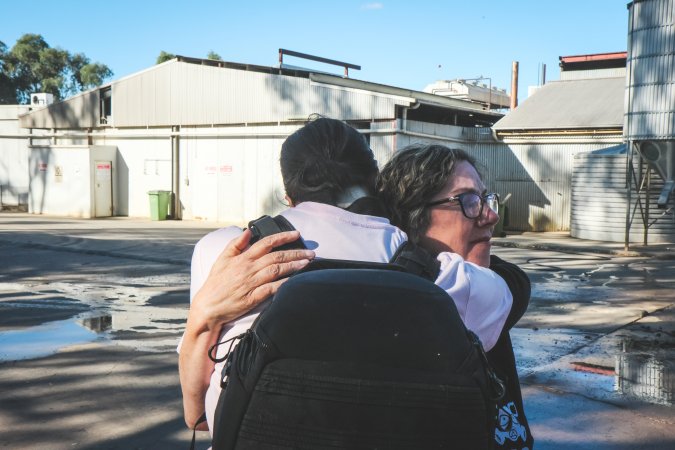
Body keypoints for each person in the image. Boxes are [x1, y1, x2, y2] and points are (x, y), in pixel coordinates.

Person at [178, 118, 514, 437]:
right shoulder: (445, 277)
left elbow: (198, 419)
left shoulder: (226, 252)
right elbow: (508, 289)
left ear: (289, 195)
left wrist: (201, 315)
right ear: (375, 184)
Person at [377, 143, 534, 450]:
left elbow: (515, 281)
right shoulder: (386, 312)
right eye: (469, 202)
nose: (490, 216)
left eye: (486, 199)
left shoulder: (492, 285)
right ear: (412, 216)